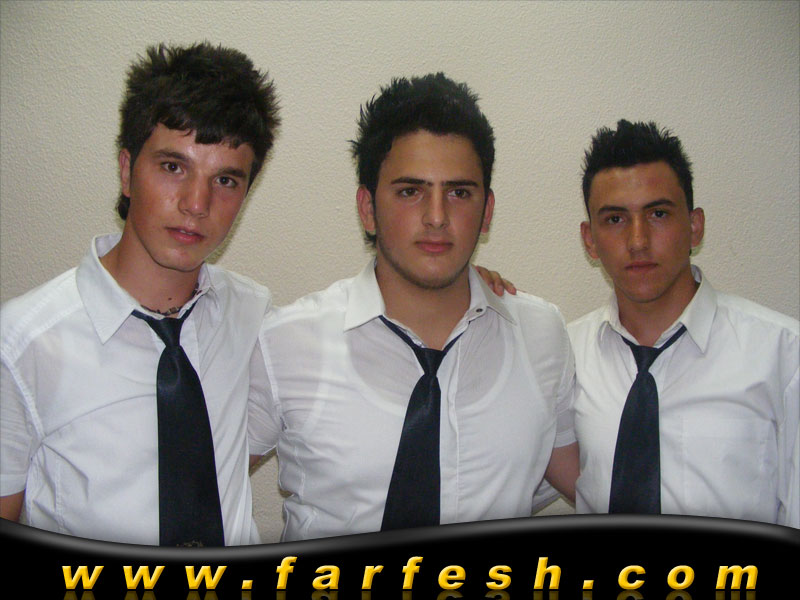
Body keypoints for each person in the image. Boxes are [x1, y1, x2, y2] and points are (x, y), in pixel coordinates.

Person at [248, 73, 579, 542]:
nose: (437, 217)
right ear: (367, 208)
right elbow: (199, 485)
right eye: (410, 191)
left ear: (486, 211)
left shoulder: (541, 334)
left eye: (459, 192)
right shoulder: (287, 342)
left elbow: (587, 479)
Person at [0, 42, 280, 545]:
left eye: (225, 179)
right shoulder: (21, 345)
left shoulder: (252, 316)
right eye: (173, 167)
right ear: (127, 170)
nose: (196, 203)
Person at [569, 119, 799, 526]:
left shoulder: (783, 355)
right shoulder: (564, 355)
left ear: (695, 226)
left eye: (658, 214)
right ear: (590, 239)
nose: (638, 241)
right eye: (615, 219)